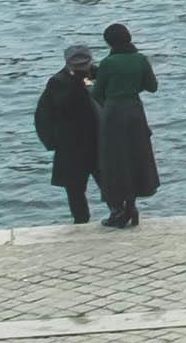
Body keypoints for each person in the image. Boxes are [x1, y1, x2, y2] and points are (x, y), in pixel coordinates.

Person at [90, 23, 162, 228]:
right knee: (135, 157)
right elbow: (152, 87)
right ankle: (132, 207)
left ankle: (120, 211)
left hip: (113, 115)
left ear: (108, 42)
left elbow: (97, 94)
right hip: (135, 112)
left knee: (115, 162)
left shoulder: (108, 63)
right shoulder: (140, 59)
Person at [32, 46, 105, 225]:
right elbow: (45, 115)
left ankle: (118, 212)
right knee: (76, 190)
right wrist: (52, 141)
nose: (82, 70)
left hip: (96, 141)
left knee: (109, 184)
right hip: (73, 144)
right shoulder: (59, 82)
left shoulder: (99, 75)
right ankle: (82, 221)